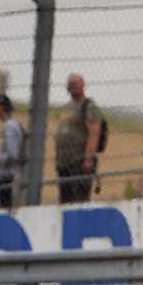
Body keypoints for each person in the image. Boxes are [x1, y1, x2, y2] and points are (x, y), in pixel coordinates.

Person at [54, 73, 103, 203]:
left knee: (78, 202)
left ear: (82, 86)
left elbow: (94, 132)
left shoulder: (88, 106)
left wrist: (88, 159)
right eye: (69, 84)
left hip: (78, 163)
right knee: (65, 203)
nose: (72, 86)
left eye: (75, 83)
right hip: (63, 163)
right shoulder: (67, 108)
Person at [0, 94, 24, 209]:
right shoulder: (12, 125)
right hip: (9, 176)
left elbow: (12, 155)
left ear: (0, 107)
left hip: (8, 177)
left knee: (6, 209)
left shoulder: (9, 126)